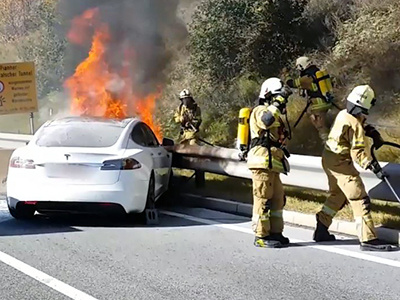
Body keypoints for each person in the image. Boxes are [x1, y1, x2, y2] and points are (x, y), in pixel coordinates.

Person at [314, 85, 396, 251]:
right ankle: (368, 240)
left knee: (338, 196)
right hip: (341, 164)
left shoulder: (343, 114)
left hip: (329, 158)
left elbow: (355, 122)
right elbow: (358, 152)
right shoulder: (355, 124)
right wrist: (373, 166)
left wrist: (371, 132)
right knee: (359, 197)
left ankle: (322, 227)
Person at [247, 77, 292, 248]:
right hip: (261, 162)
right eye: (277, 96)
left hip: (273, 163)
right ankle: (261, 235)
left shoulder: (275, 113)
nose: (281, 101)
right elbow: (266, 121)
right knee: (263, 199)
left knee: (277, 200)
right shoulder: (260, 110)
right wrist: (279, 101)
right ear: (268, 95)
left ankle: (275, 232)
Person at [284, 56, 334, 143]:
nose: (299, 70)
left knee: (320, 127)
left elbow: (291, 83)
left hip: (318, 106)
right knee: (324, 123)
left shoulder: (307, 78)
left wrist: (286, 75)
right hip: (327, 102)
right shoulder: (317, 72)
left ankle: (328, 144)